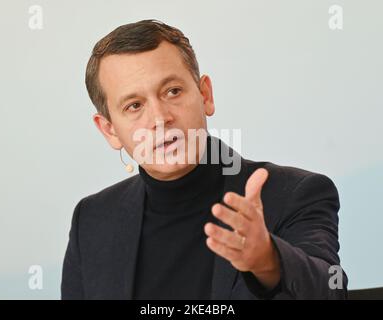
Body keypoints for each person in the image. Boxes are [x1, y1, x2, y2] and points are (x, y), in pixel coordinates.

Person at [61, 19, 347, 300]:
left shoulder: (295, 193)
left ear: (205, 95)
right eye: (134, 105)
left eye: (173, 91)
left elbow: (331, 290)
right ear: (109, 130)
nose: (160, 119)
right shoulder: (92, 219)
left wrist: (267, 261)